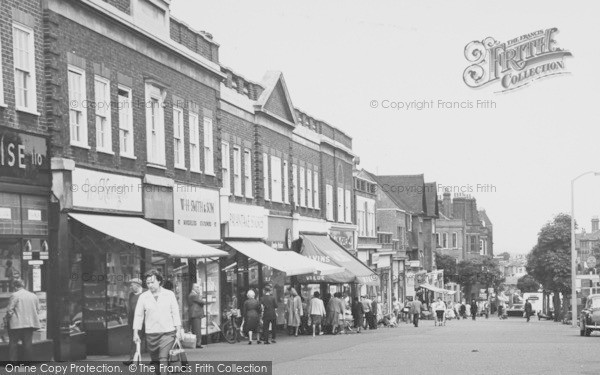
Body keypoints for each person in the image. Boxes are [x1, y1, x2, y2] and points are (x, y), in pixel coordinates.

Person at [133, 269, 182, 370]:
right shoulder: (143, 297)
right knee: (156, 362)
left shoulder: (169, 294)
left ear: (159, 281)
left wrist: (178, 330)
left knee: (163, 358)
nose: (150, 285)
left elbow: (175, 313)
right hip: (151, 334)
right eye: (148, 283)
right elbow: (138, 315)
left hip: (168, 332)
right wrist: (135, 333)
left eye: (152, 282)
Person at [6, 279, 40, 364]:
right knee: (27, 345)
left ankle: (14, 364)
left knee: (13, 344)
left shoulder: (15, 295)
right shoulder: (33, 295)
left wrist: (7, 319)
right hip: (29, 324)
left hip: (16, 324)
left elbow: (10, 310)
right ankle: (27, 364)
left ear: (15, 286)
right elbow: (37, 310)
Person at [124, 278, 144, 365]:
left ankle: (157, 359)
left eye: (132, 285)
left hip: (146, 320)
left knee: (151, 340)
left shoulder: (146, 293)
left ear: (138, 285)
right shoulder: (131, 295)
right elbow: (130, 309)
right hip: (135, 321)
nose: (130, 287)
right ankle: (133, 358)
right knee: (135, 339)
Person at [188, 283, 205, 349]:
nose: (199, 289)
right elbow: (202, 302)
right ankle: (198, 343)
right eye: (197, 287)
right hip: (195, 314)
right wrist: (201, 297)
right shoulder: (193, 295)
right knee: (197, 330)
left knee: (195, 329)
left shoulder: (193, 295)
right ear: (194, 288)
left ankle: (196, 343)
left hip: (195, 314)